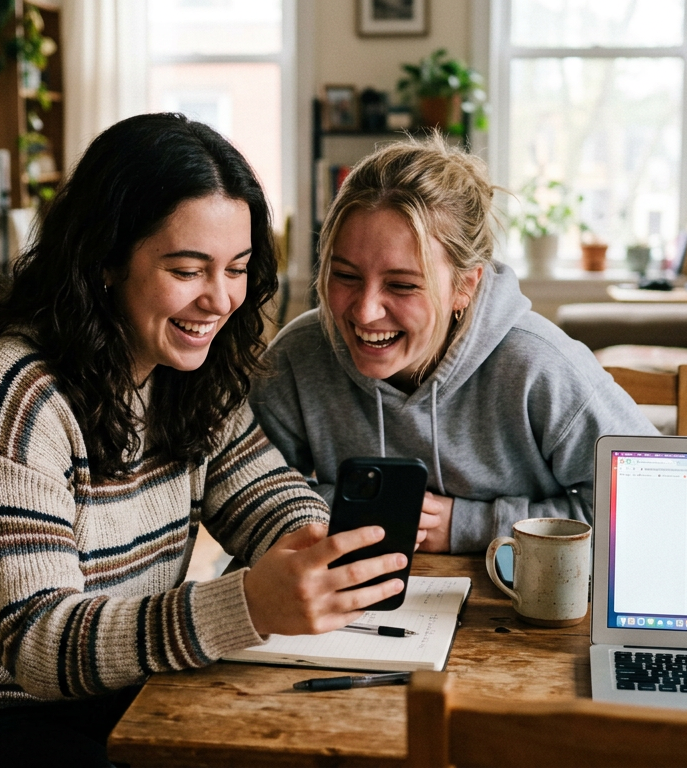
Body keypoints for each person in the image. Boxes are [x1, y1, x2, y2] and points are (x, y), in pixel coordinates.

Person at [0, 114, 407, 768]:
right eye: (188, 270)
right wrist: (249, 603)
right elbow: (39, 645)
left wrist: (311, 539)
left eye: (236, 268)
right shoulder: (11, 393)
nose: (220, 300)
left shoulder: (185, 368)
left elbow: (262, 491)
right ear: (107, 261)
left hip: (106, 692)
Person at [249, 136, 657, 555]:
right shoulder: (299, 354)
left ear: (465, 286)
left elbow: (650, 503)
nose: (365, 312)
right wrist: (363, 511)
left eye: (402, 285)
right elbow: (246, 491)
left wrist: (469, 525)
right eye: (346, 276)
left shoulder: (540, 364)